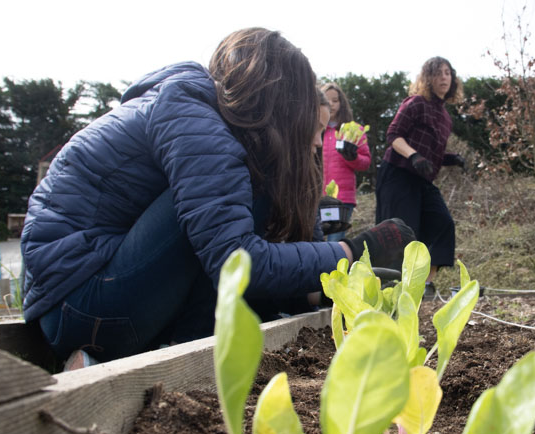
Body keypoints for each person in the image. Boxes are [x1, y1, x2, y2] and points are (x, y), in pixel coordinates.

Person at [20, 28, 414, 369]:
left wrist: (320, 285)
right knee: (234, 213)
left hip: (89, 300)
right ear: (286, 107)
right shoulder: (194, 120)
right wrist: (348, 252)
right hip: (82, 307)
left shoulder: (204, 122)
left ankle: (155, 347)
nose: (316, 142)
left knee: (229, 210)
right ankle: (154, 354)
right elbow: (235, 262)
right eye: (312, 128)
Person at [375, 57, 465, 297]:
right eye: (438, 73)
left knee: (442, 223)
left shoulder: (445, 117)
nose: (444, 78)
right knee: (401, 232)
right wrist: (413, 156)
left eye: (448, 73)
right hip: (398, 174)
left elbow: (432, 154)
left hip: (422, 180)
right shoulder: (415, 103)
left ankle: (424, 283)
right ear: (428, 78)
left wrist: (450, 158)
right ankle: (391, 288)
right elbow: (394, 135)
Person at [319, 82, 371, 241]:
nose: (331, 105)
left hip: (342, 199)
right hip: (317, 198)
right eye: (327, 101)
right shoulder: (315, 129)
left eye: (335, 100)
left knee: (334, 242)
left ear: (342, 103)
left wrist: (352, 157)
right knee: (315, 241)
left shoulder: (353, 130)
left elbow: (365, 162)